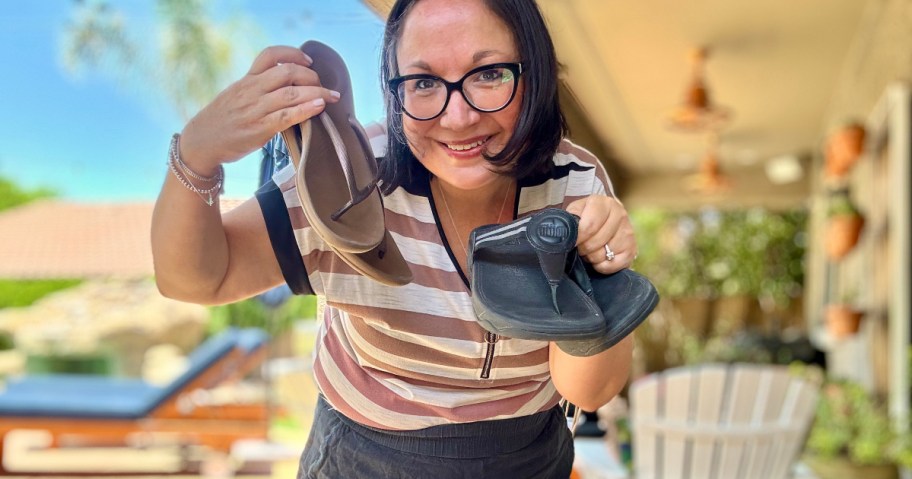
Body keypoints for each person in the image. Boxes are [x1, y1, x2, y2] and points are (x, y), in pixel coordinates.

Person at [151, 0, 641, 476]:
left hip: (529, 458)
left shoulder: (574, 184)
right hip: (367, 459)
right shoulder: (347, 182)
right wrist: (197, 153)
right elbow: (194, 281)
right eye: (424, 82)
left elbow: (590, 391)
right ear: (394, 89)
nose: (457, 117)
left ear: (531, 73)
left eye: (489, 73)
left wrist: (599, 267)